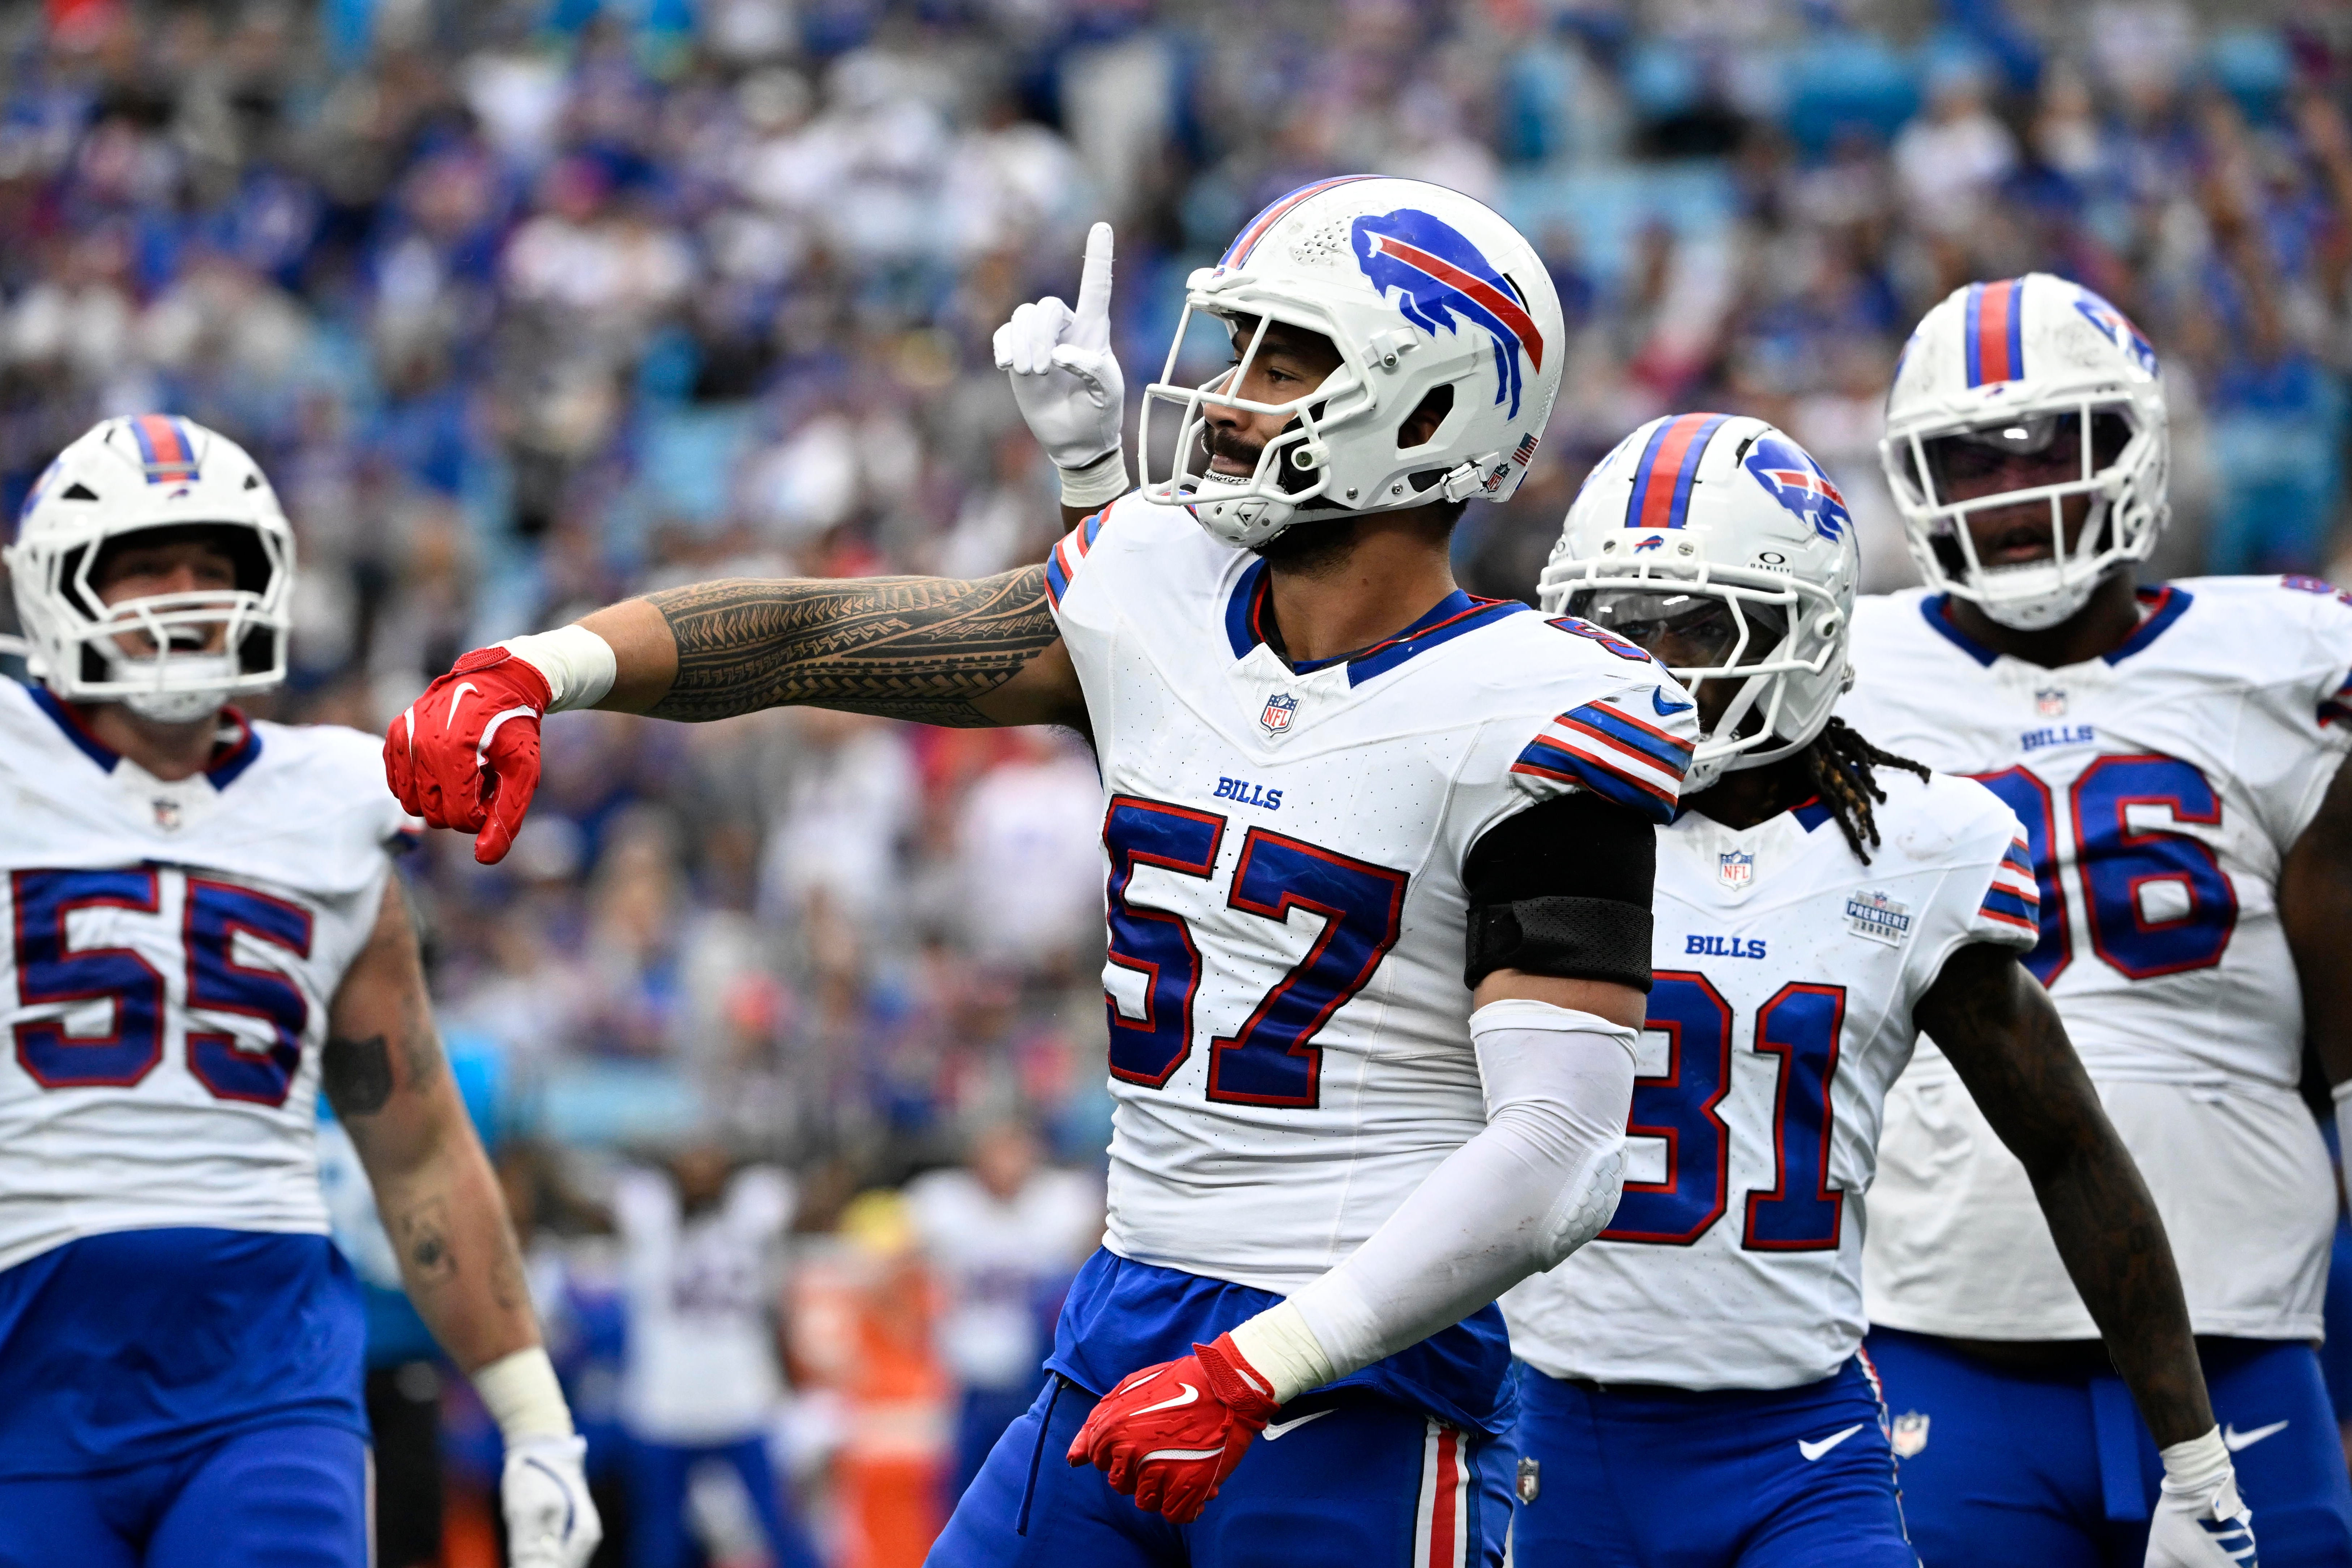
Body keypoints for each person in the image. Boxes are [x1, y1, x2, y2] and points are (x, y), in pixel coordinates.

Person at [385, 181, 1691, 1565]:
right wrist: (537, 665)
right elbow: (813, 635)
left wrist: (1263, 1364)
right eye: (1239, 349)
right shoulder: (1158, 589)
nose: (1227, 397)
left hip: (1358, 1374)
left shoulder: (1533, 709)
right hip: (1126, 1318)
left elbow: (1560, 1154)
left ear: (1429, 414)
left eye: (1286, 361)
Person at [1507, 412, 2253, 1567]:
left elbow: (2066, 1147)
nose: (1653, 664)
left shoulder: (1915, 846)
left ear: (1804, 631)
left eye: (1697, 625)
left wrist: (2196, 1462)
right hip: (1545, 1422)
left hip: (1797, 1442)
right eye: (1618, 623)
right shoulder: (1516, 821)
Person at [0, 415, 600, 1568]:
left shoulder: (328, 797)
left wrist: (535, 1420)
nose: (186, 596)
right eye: (146, 566)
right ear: (53, 584)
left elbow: (418, 1144)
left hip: (263, 1367)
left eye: (211, 565)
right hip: (25, 1353)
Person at [1845, 271, 2352, 1563]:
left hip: (2242, 1325)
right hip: (1940, 1326)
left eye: (2049, 448)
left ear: (2134, 449)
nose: (2013, 493)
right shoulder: (1837, 673)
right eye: (1970, 459)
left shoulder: (2284, 657)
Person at [612, 1145, 822, 1568]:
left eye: (710, 1166)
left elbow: (812, 1203)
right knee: (660, 1537)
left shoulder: (750, 1216)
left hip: (741, 1399)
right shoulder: (651, 1217)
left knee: (779, 1523)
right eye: (690, 1165)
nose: (700, 1175)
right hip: (665, 1405)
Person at [906, 1120, 1103, 1504]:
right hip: (966, 1376)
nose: (1006, 1165)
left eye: (1015, 1152)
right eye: (997, 1152)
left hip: (1042, 1377)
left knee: (1034, 1491)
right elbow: (890, 1266)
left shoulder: (1065, 1200)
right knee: (961, 1494)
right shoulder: (942, 1201)